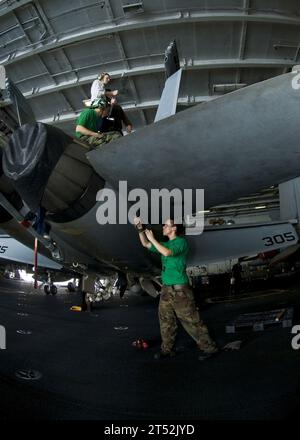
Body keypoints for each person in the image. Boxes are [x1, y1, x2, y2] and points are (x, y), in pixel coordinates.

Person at [134, 217, 218, 361]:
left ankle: (210, 348)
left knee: (191, 321)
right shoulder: (165, 244)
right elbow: (145, 243)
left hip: (181, 291)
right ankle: (167, 349)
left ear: (174, 229)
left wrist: (153, 239)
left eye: (166, 225)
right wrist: (140, 229)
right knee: (165, 320)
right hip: (167, 290)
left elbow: (167, 253)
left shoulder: (181, 242)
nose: (163, 227)